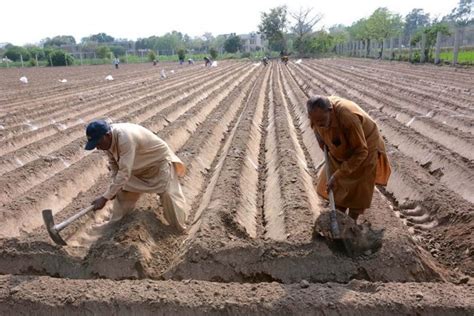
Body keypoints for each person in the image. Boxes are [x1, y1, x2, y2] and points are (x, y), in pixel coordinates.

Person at [85, 120, 188, 232]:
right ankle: (115, 225)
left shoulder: (125, 138)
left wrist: (105, 198)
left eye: (98, 143)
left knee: (168, 194)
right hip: (137, 165)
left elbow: (124, 173)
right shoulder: (107, 142)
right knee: (123, 190)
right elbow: (115, 167)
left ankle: (179, 228)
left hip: (157, 163)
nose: (98, 148)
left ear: (107, 135)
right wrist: (112, 191)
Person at [307, 95, 391, 222]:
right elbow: (316, 129)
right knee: (338, 182)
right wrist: (323, 142)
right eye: (317, 122)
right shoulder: (317, 116)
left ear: (330, 111)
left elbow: (361, 151)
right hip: (340, 142)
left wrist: (337, 175)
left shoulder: (348, 116)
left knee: (358, 183)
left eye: (323, 121)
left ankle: (351, 222)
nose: (320, 125)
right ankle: (339, 216)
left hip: (365, 145)